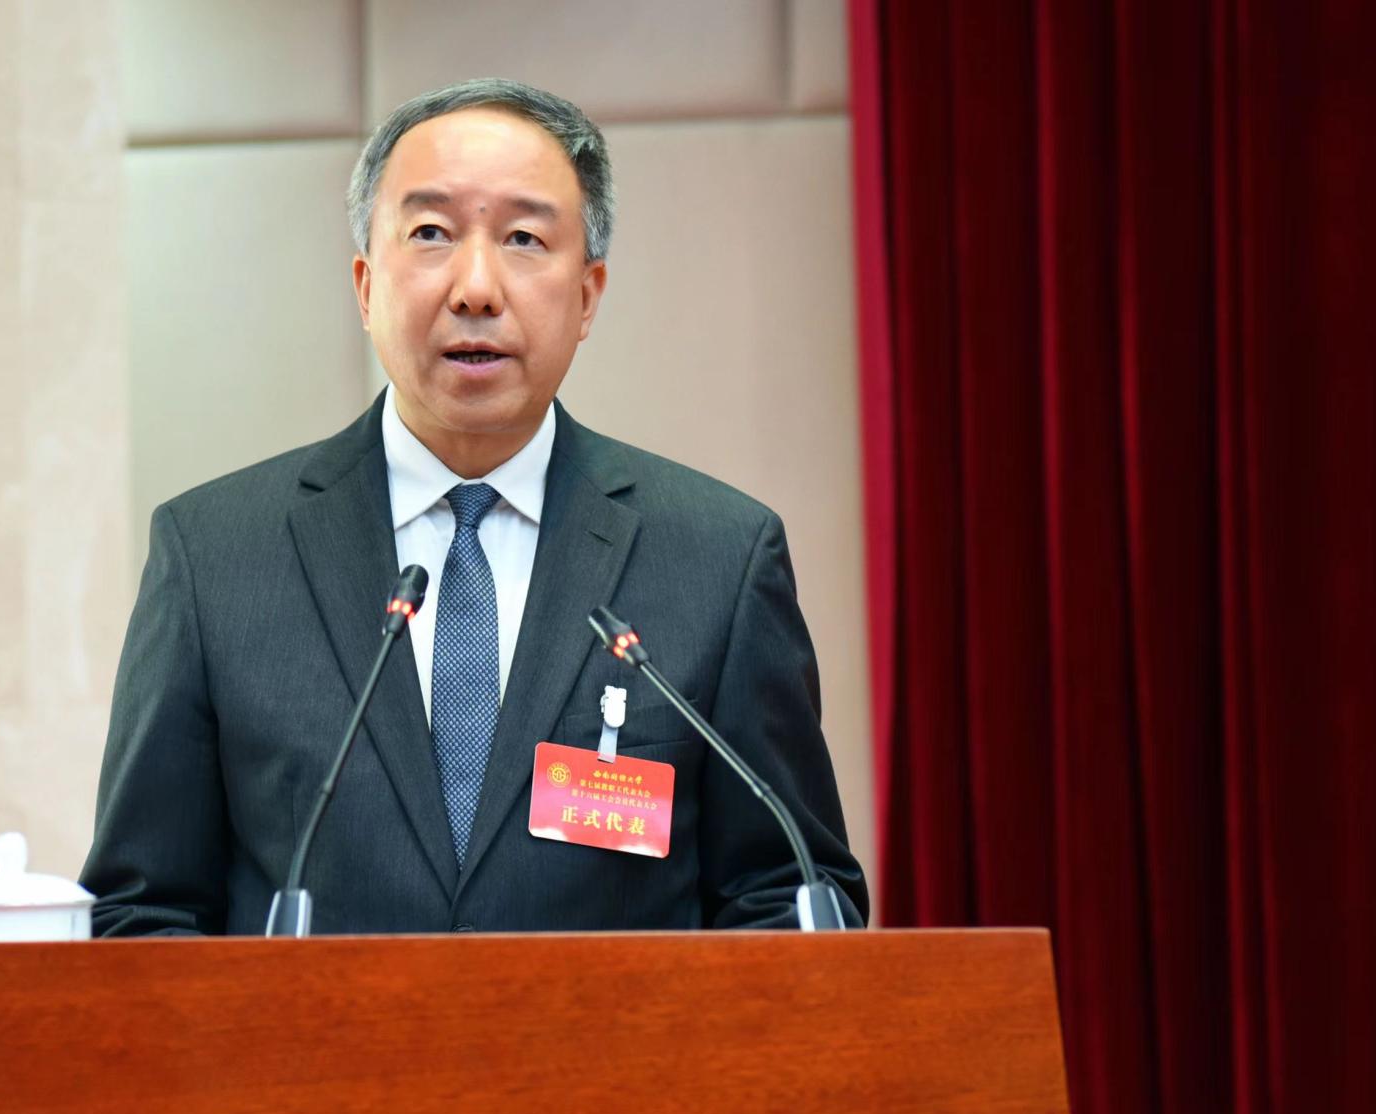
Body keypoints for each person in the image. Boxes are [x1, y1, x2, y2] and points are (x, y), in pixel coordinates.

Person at [80, 78, 866, 935]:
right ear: (366, 286)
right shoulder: (215, 559)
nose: (477, 288)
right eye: (430, 233)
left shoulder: (717, 560)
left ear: (588, 295)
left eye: (525, 238)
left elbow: (791, 900)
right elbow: (141, 914)